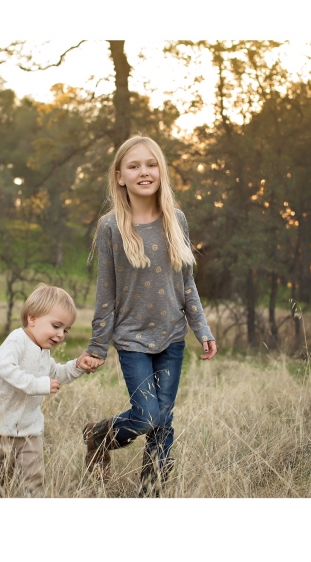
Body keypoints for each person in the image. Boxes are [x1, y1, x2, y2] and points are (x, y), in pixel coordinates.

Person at [80, 134, 217, 497]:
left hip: (172, 337)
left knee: (163, 424)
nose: (144, 171)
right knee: (147, 416)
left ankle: (150, 496)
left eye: (151, 164)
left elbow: (187, 282)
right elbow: (105, 291)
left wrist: (201, 328)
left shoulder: (177, 220)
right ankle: (97, 434)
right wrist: (98, 345)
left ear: (161, 171)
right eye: (134, 165)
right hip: (133, 340)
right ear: (120, 176)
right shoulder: (111, 227)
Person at [0, 283, 98, 497]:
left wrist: (77, 366)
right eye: (56, 326)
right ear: (32, 319)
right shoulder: (16, 340)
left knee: (33, 484)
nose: (60, 335)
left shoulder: (43, 352)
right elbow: (5, 368)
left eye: (65, 330)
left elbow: (55, 374)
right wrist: (38, 385)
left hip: (29, 432)